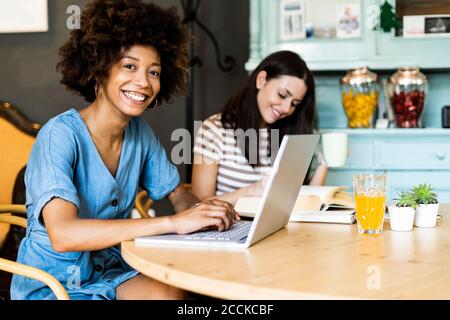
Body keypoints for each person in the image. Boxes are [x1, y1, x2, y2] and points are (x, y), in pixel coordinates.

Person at [11, 0, 237, 300]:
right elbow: (63, 235)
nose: (143, 82)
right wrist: (172, 222)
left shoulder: (140, 133)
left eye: (154, 72)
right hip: (53, 286)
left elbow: (178, 194)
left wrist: (204, 213)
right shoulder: (59, 135)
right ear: (99, 70)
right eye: (129, 66)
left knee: (175, 294)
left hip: (109, 271)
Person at [191, 50, 328, 204]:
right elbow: (198, 207)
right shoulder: (214, 129)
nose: (286, 108)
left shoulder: (290, 133)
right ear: (261, 80)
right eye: (282, 95)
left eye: (295, 104)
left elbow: (303, 204)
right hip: (231, 227)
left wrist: (325, 165)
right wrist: (253, 190)